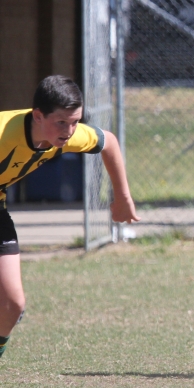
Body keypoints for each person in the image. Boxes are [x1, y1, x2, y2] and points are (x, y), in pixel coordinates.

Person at [0, 76, 139, 359]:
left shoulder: (65, 135)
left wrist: (123, 198)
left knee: (12, 305)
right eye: (62, 122)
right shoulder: (4, 134)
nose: (70, 130)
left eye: (75, 121)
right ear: (38, 116)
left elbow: (108, 142)